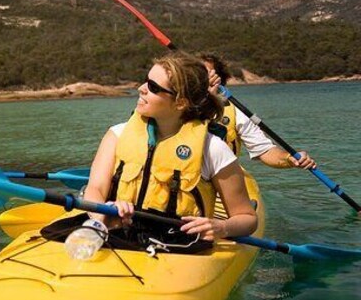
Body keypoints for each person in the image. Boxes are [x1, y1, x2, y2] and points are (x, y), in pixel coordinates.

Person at [83, 52, 258, 246]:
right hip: (118, 233)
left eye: (153, 87)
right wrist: (101, 214)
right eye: (145, 81)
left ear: (181, 102)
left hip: (179, 244)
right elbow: (95, 188)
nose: (141, 89)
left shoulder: (213, 150)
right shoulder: (117, 135)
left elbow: (247, 218)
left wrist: (222, 227)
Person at [198, 53, 316, 170]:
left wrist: (289, 159)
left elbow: (265, 151)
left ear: (218, 81)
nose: (198, 78)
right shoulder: (180, 108)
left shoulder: (236, 113)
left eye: (205, 73)